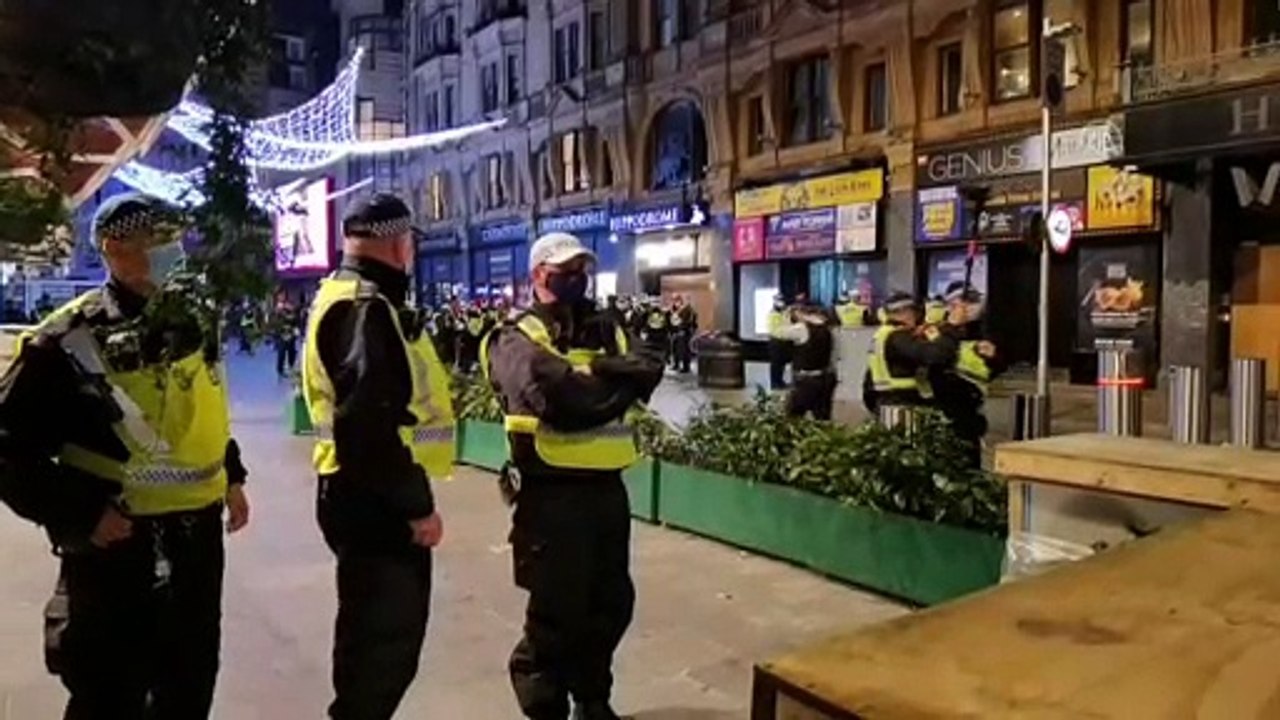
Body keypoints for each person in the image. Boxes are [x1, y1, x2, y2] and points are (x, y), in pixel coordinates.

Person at [0, 193, 251, 719]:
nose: (173, 253)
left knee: (189, 684)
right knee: (110, 693)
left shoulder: (190, 323)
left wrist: (231, 474)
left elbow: (196, 410)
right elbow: (7, 447)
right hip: (120, 550)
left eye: (175, 240)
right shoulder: (67, 341)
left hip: (197, 544)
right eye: (157, 242)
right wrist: (81, 514)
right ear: (115, 249)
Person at [482, 232, 664, 720]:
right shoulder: (514, 336)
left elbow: (650, 364)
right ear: (539, 273)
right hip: (549, 497)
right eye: (566, 268)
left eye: (582, 268)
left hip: (606, 490)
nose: (577, 277)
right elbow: (557, 397)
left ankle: (592, 699)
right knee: (556, 614)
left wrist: (598, 371)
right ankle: (545, 706)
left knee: (610, 603)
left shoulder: (607, 328)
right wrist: (615, 384)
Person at [301, 193, 454, 720]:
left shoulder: (346, 295)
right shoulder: (366, 307)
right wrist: (415, 507)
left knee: (373, 641)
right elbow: (368, 424)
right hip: (375, 501)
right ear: (398, 243)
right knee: (381, 649)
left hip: (356, 491)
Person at [930, 282, 1007, 468]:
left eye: (974, 301)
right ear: (952, 306)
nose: (972, 307)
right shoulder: (936, 331)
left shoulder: (981, 332)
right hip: (945, 411)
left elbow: (994, 369)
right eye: (967, 301)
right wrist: (951, 328)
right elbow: (935, 358)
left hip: (972, 409)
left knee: (971, 466)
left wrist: (993, 358)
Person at [862, 292, 958, 416]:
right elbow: (936, 356)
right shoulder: (899, 337)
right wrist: (950, 329)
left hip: (888, 402)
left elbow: (869, 380)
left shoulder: (883, 334)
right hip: (905, 404)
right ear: (906, 313)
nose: (917, 317)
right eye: (914, 312)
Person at [777, 303, 838, 420]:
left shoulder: (802, 328)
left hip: (806, 379)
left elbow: (780, 333)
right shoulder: (828, 330)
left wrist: (786, 318)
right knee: (823, 416)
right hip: (826, 378)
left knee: (793, 417)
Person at [271, 297, 302, 379]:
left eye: (291, 305)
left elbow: (296, 323)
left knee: (292, 352)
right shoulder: (279, 314)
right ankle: (280, 370)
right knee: (281, 353)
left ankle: (291, 367)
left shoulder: (294, 314)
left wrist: (296, 331)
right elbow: (275, 323)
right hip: (282, 336)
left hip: (291, 336)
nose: (289, 307)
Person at [767, 294, 790, 390]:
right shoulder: (773, 314)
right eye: (779, 300)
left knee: (782, 363)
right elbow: (773, 329)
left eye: (782, 300)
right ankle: (774, 383)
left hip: (784, 340)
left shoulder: (785, 313)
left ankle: (780, 381)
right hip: (775, 340)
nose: (781, 302)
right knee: (775, 363)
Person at [669, 294, 697, 374]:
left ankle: (686, 367)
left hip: (685, 332)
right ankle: (676, 364)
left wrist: (684, 329)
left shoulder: (687, 309)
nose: (675, 302)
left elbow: (689, 321)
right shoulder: (675, 309)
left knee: (685, 350)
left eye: (676, 300)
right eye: (673, 300)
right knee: (675, 349)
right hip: (676, 331)